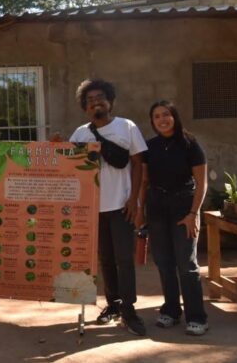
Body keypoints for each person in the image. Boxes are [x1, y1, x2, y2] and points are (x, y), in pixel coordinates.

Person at [69, 79, 148, 336]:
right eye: (90, 100)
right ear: (85, 107)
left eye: (100, 97)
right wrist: (56, 144)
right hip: (93, 209)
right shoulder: (80, 133)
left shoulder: (126, 127)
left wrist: (134, 200)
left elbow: (138, 165)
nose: (95, 102)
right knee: (105, 259)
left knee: (124, 259)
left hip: (121, 205)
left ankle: (130, 310)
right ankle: (112, 305)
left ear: (110, 101)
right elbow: (67, 166)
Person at [139, 101, 209, 336]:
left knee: (186, 264)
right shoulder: (150, 147)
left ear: (174, 116)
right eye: (157, 116)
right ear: (153, 121)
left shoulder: (190, 144)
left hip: (183, 208)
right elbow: (145, 181)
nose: (162, 119)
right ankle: (171, 310)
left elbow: (202, 183)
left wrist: (193, 214)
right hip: (157, 207)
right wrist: (141, 210)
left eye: (166, 114)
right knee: (164, 262)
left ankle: (197, 317)